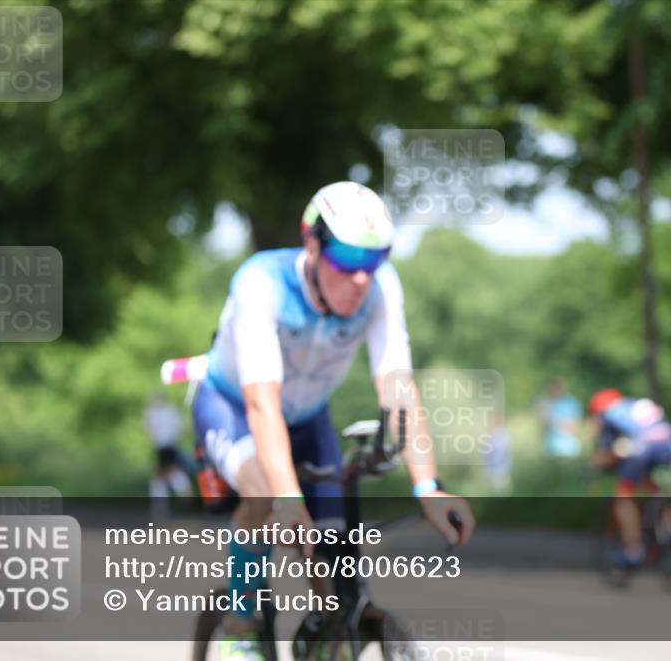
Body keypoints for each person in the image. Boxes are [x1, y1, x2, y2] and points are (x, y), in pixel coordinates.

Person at [191, 181, 476, 660]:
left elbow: (398, 388)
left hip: (307, 417)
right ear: (312, 245)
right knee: (265, 493)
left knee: (328, 557)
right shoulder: (261, 282)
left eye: (375, 258)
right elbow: (262, 402)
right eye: (347, 259)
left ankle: (331, 639)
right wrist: (286, 497)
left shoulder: (380, 287)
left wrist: (428, 487)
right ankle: (240, 623)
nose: (362, 277)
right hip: (233, 406)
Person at [588, 388, 671, 567]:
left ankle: (633, 549)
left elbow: (609, 453)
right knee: (653, 484)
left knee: (623, 498)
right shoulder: (634, 404)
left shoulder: (608, 414)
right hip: (669, 443)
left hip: (643, 448)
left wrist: (597, 465)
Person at [144, 392, 193, 508]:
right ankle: (185, 496)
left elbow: (148, 428)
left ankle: (185, 496)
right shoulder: (172, 411)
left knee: (166, 474)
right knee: (168, 473)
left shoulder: (153, 412)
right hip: (171, 445)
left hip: (163, 446)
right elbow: (183, 427)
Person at [538, 378, 582, 458]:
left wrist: (557, 424)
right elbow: (544, 426)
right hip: (551, 445)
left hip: (568, 447)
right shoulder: (547, 404)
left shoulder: (571, 404)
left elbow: (575, 427)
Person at [484, 414, 513, 494]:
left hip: (498, 468)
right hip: (498, 468)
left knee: (499, 489)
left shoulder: (499, 435)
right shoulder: (501, 434)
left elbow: (493, 453)